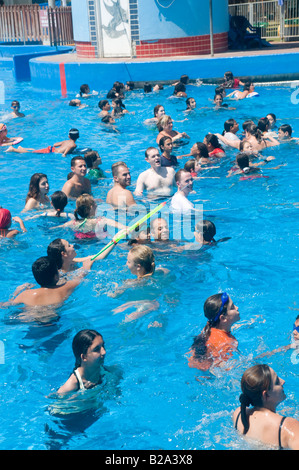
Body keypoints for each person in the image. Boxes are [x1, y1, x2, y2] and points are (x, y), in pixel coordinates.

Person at [233, 364, 299, 450]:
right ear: (266, 395)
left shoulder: (238, 414)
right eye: (277, 382)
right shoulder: (287, 427)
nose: (283, 381)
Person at [7, 255, 94, 307]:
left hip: (32, 321)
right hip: (54, 322)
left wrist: (16, 292)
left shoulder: (25, 294)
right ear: (56, 277)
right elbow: (80, 277)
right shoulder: (64, 288)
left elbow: (7, 305)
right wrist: (87, 266)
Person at [188, 292, 240, 371]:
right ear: (223, 319)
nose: (237, 307)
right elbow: (224, 369)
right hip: (206, 375)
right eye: (232, 307)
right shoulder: (227, 342)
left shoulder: (208, 327)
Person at [55, 193, 125, 240]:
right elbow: (123, 228)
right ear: (91, 207)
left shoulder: (72, 223)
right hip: (97, 243)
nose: (97, 205)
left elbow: (56, 228)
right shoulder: (102, 221)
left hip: (78, 241)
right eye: (95, 203)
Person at [57, 329, 107, 394]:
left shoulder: (106, 371)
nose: (104, 352)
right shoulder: (71, 386)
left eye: (103, 346)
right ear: (84, 357)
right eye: (97, 349)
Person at [6, 128, 80, 156]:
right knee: (32, 153)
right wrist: (65, 154)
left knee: (36, 150)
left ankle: (21, 148)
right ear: (78, 137)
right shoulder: (74, 145)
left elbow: (55, 144)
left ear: (69, 136)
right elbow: (64, 154)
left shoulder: (66, 141)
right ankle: (13, 149)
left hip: (51, 148)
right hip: (51, 151)